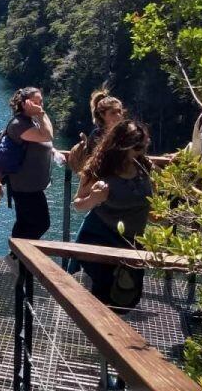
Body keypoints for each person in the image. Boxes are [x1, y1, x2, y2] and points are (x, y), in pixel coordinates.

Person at [70, 120, 152, 310]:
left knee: (127, 298)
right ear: (121, 147)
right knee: (101, 301)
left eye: (144, 145)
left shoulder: (144, 167)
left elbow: (149, 204)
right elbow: (78, 204)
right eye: (138, 146)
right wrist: (95, 197)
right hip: (100, 239)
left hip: (132, 243)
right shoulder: (99, 169)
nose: (142, 150)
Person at [4, 87, 54, 271]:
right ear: (25, 103)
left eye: (41, 101)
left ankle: (17, 259)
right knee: (42, 223)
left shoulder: (30, 121)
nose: (40, 105)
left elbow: (46, 141)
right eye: (36, 101)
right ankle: (17, 257)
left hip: (31, 185)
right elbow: (47, 135)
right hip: (24, 185)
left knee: (24, 222)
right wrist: (41, 114)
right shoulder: (19, 124)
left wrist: (40, 113)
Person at [67, 89, 124, 173]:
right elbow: (92, 163)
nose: (118, 115)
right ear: (102, 115)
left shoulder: (126, 133)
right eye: (113, 113)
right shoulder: (97, 136)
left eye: (119, 111)